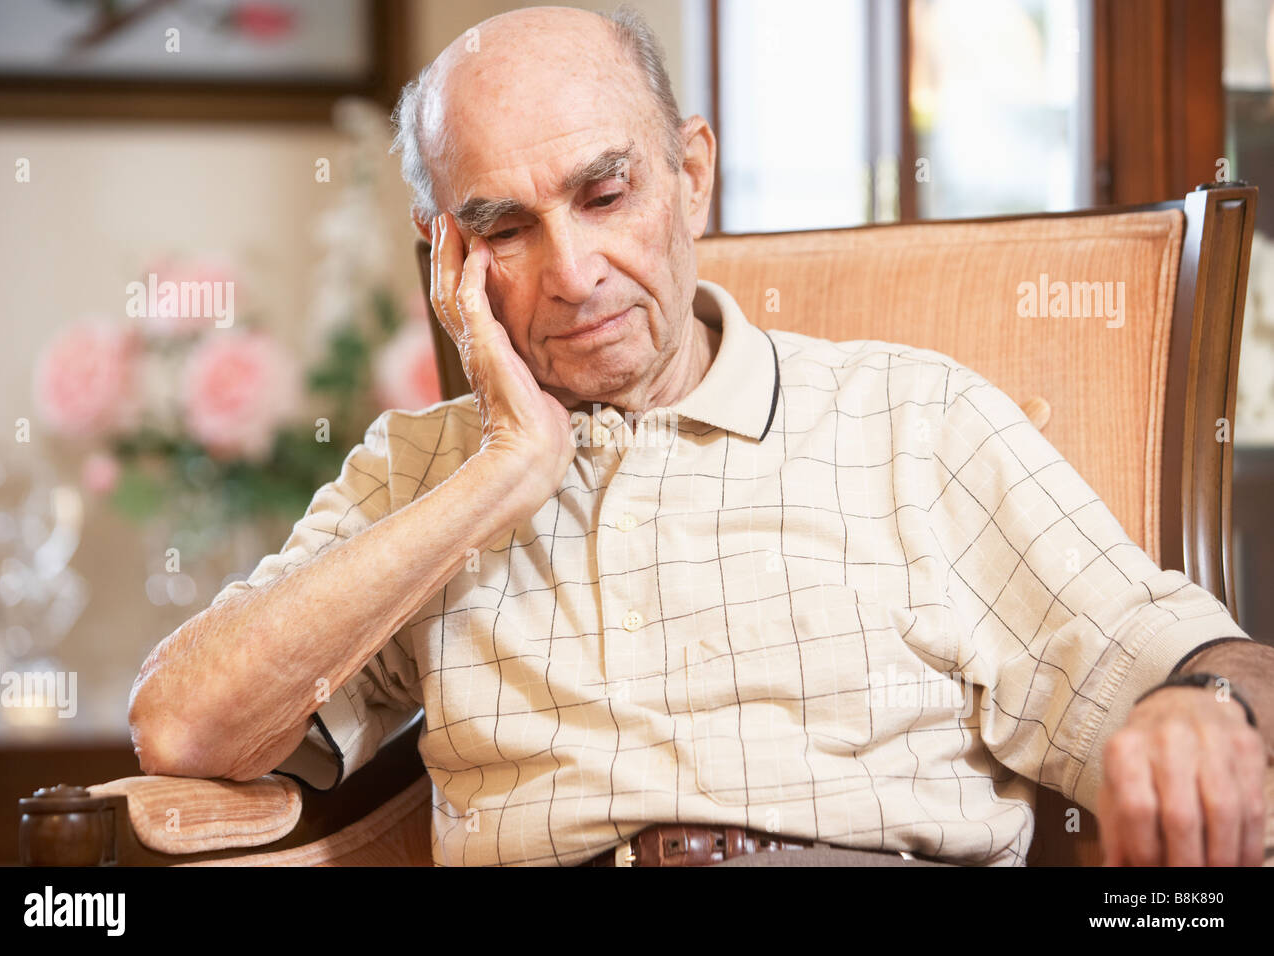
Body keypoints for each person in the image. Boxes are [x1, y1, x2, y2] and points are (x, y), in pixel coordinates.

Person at [128, 4, 1272, 867]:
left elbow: (1214, 662)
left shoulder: (913, 423)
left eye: (606, 193)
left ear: (691, 173)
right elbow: (182, 724)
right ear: (448, 261)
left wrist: (1202, 712)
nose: (573, 274)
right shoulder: (420, 477)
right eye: (505, 228)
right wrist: (503, 473)